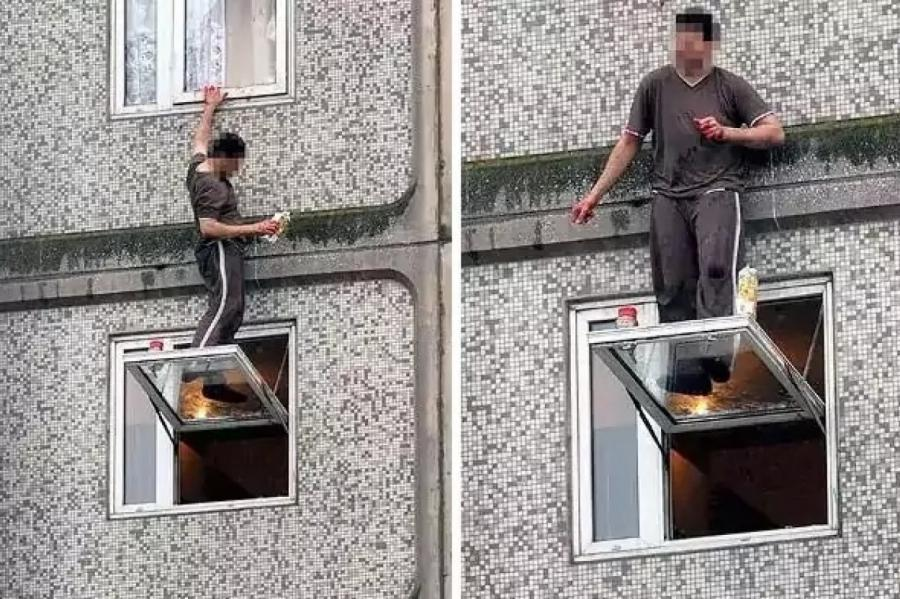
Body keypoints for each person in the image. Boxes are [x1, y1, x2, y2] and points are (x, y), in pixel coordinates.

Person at [571, 9, 785, 393]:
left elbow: (774, 133)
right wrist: (594, 196)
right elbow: (629, 142)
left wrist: (727, 133)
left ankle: (717, 352)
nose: (682, 47)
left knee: (716, 267)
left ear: (708, 45)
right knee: (671, 282)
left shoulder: (729, 86)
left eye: (691, 41)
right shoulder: (655, 85)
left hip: (718, 188)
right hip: (668, 193)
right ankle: (687, 370)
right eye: (678, 40)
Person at [187, 85, 280, 349]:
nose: (236, 170)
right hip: (219, 249)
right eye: (234, 164)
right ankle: (198, 358)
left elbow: (199, 140)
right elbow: (208, 227)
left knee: (235, 308)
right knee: (226, 304)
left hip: (226, 250)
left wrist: (210, 107)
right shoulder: (212, 185)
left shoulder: (200, 164)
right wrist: (256, 228)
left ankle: (215, 357)